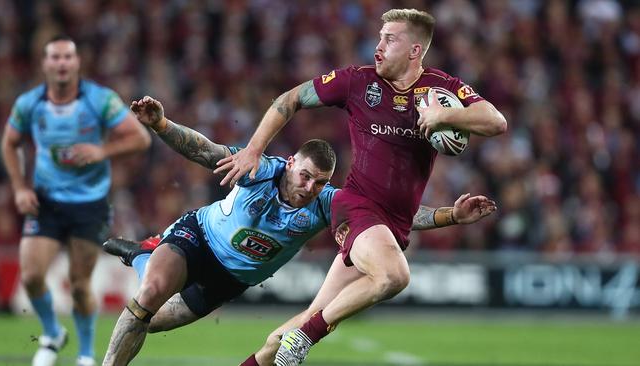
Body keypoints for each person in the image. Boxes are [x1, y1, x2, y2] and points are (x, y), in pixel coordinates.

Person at [101, 96, 497, 366]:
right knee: (148, 297)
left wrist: (450, 215)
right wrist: (162, 124)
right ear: (291, 163)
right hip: (200, 239)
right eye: (305, 176)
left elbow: (392, 217)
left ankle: (140, 254)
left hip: (230, 279)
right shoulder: (260, 169)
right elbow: (206, 151)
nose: (310, 187)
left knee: (148, 321)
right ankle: (147, 258)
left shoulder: (328, 203)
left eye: (319, 181)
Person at [213, 8, 507, 366]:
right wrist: (253, 150)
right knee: (395, 275)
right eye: (379, 37)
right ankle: (309, 335)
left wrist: (446, 118)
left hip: (392, 225)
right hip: (355, 207)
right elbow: (289, 99)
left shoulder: (441, 89)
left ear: (415, 51)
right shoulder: (356, 81)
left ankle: (295, 336)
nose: (378, 45)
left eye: (390, 38)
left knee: (292, 329)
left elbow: (495, 121)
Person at [0, 35, 151, 366]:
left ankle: (85, 354)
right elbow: (9, 142)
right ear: (45, 64)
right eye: (55, 57)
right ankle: (53, 333)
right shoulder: (29, 104)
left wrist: (103, 151)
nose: (62, 63)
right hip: (46, 201)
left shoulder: (99, 101)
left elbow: (140, 138)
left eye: (68, 57)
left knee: (81, 284)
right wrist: (19, 188)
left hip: (89, 204)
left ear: (77, 62)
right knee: (31, 276)